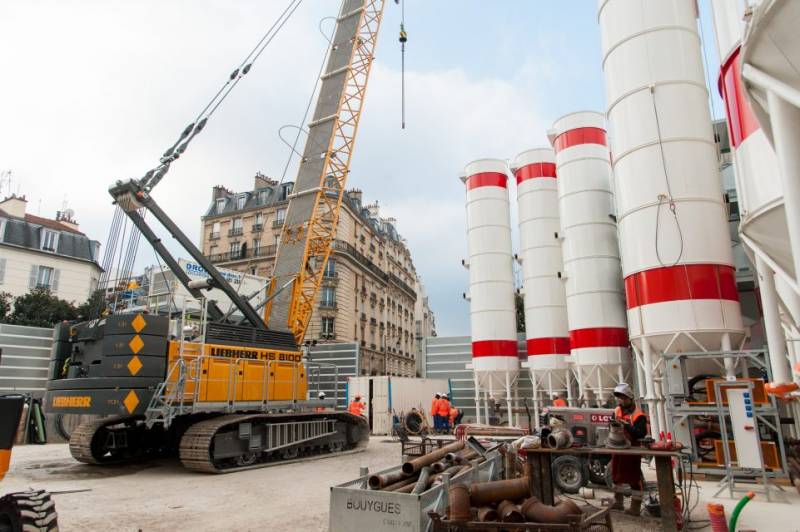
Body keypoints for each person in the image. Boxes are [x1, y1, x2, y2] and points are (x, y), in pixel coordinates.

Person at [609, 383, 647, 516]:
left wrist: (627, 425)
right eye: (620, 398)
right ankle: (618, 502)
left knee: (633, 478)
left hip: (632, 450)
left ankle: (635, 508)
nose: (621, 401)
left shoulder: (638, 415)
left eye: (624, 398)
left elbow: (641, 434)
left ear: (630, 398)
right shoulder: (616, 411)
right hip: (617, 448)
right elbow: (611, 424)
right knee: (616, 476)